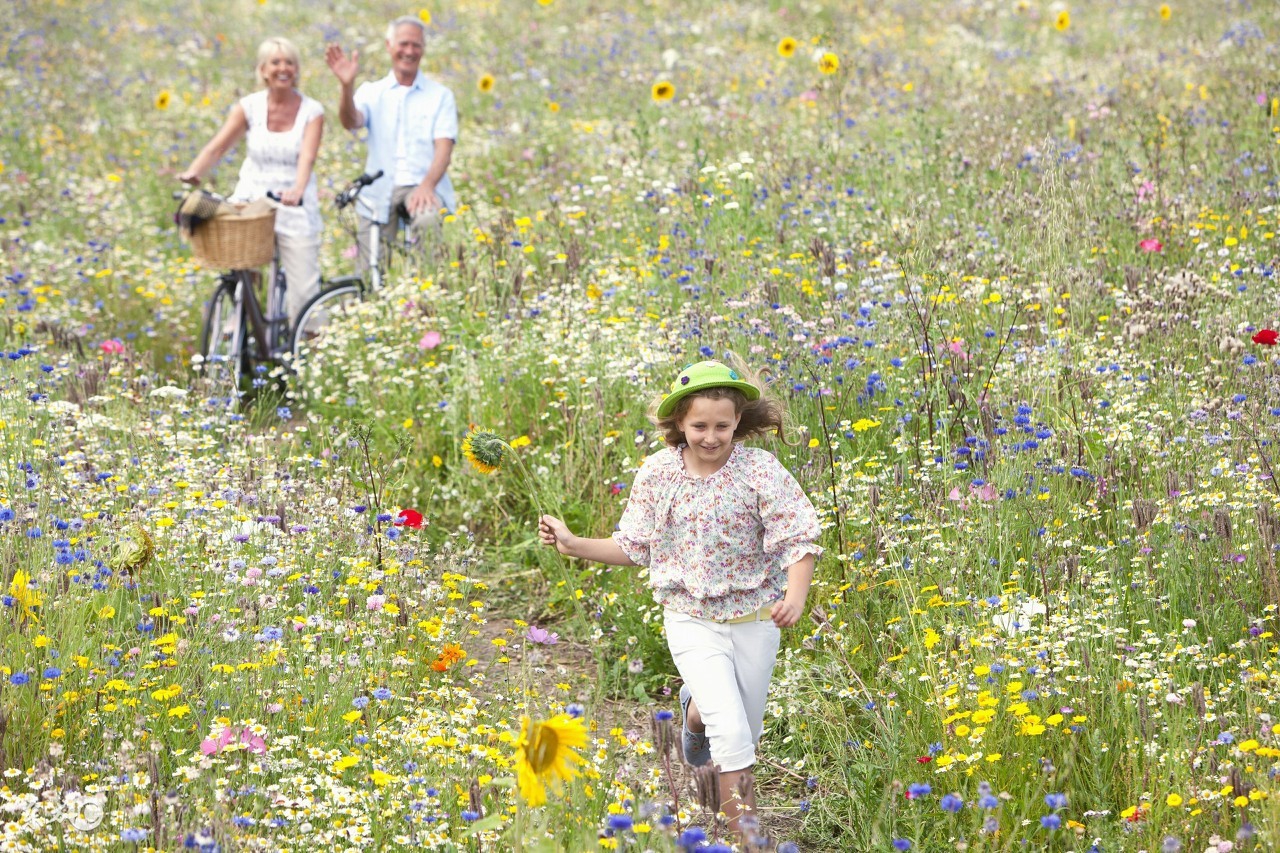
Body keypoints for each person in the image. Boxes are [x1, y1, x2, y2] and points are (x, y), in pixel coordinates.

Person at [538, 359, 822, 840]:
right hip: (691, 620)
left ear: (738, 421)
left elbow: (799, 538)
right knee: (731, 735)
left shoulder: (758, 470)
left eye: (722, 426)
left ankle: (694, 710)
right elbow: (635, 546)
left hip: (755, 619)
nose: (711, 437)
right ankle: (750, 843)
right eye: (699, 426)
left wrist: (795, 598)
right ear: (679, 424)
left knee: (745, 733)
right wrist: (573, 543)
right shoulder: (659, 474)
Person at [178, 37, 324, 326]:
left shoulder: (312, 111)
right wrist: (194, 172)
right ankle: (241, 317)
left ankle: (308, 339)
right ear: (263, 70)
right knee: (239, 261)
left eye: (289, 63)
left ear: (297, 69)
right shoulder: (249, 107)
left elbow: (307, 158)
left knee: (304, 288)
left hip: (293, 201)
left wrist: (297, 189)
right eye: (275, 62)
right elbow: (218, 147)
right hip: (252, 199)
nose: (283, 68)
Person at [325, 16, 458, 272]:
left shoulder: (440, 96)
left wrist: (427, 186)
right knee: (369, 272)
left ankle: (430, 288)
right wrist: (346, 86)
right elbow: (351, 121)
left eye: (416, 45)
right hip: (380, 188)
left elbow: (444, 148)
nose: (409, 51)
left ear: (423, 49)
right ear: (389, 46)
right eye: (403, 44)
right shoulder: (372, 91)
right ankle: (373, 291)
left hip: (421, 185)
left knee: (428, 221)